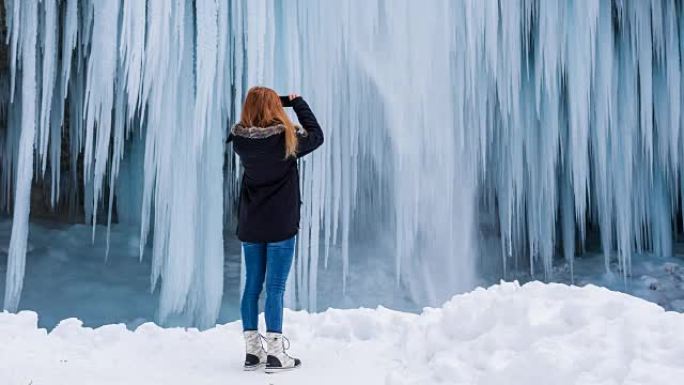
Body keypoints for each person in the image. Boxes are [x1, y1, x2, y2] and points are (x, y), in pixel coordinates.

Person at [226, 86, 324, 372]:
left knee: (252, 287)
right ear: (275, 109)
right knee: (275, 288)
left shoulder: (240, 141)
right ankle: (277, 354)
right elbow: (316, 134)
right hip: (281, 224)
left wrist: (266, 105)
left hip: (251, 224)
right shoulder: (286, 140)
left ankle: (252, 353)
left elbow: (252, 123)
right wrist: (296, 103)